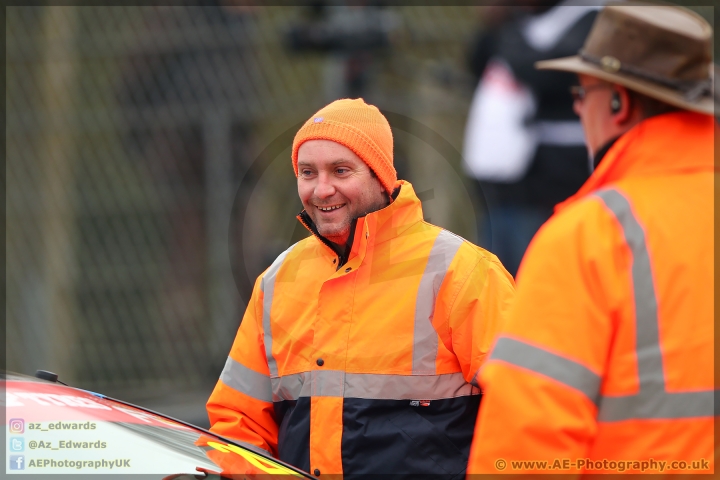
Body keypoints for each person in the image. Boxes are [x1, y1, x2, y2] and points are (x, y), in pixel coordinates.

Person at [468, 3, 715, 475]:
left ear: (618, 103)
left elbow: (527, 443)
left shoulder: (589, 238)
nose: (578, 105)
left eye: (583, 91)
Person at [207, 98, 515, 477]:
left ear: (380, 175)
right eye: (307, 172)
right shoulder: (278, 279)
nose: (322, 190)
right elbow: (238, 424)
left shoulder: (464, 273)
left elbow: (522, 412)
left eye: (340, 170)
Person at [462, 0, 602, 276]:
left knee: (536, 277)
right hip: (500, 183)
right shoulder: (521, 22)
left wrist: (506, 27)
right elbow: (478, 61)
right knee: (492, 281)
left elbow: (546, 72)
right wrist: (494, 25)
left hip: (548, 187)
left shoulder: (592, 18)